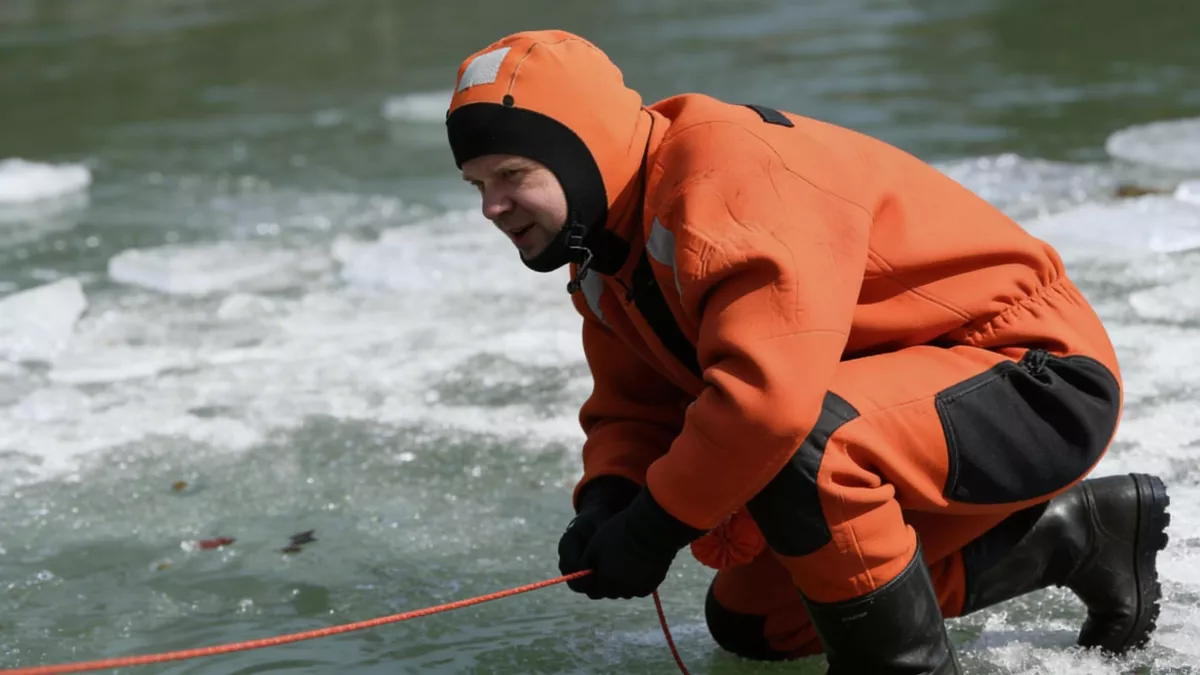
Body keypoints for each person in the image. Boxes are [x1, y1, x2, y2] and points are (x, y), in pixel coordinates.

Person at [444, 29, 1171, 674]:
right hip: (896, 411)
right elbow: (635, 408)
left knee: (808, 446)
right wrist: (611, 498)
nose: (492, 208)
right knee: (762, 621)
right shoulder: (604, 253)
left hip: (1034, 378)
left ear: (583, 155)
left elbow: (767, 408)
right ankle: (1078, 533)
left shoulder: (725, 178)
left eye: (513, 176)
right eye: (479, 184)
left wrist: (656, 524)